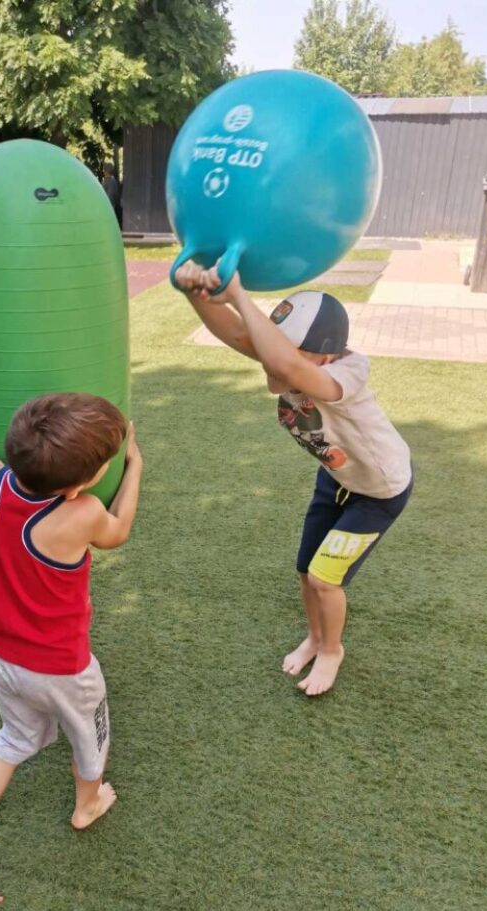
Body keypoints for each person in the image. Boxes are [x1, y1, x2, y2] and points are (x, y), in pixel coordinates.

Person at [0, 393, 144, 903]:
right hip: (62, 668)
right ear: (83, 483)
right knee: (91, 737)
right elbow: (119, 530)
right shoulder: (81, 513)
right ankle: (87, 804)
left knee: (13, 739)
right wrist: (135, 468)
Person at [176, 262, 413, 697]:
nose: (271, 361)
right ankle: (316, 638)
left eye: (285, 351)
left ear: (325, 355)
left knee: (325, 579)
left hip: (379, 492)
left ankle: (332, 651)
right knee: (306, 570)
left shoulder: (347, 373)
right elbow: (241, 336)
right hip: (335, 479)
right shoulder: (291, 356)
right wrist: (195, 293)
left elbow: (285, 361)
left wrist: (239, 296)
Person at [101, 161, 122, 226]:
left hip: (108, 206)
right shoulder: (108, 181)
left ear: (106, 171)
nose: (103, 171)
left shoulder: (110, 182)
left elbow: (111, 195)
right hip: (108, 206)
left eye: (104, 170)